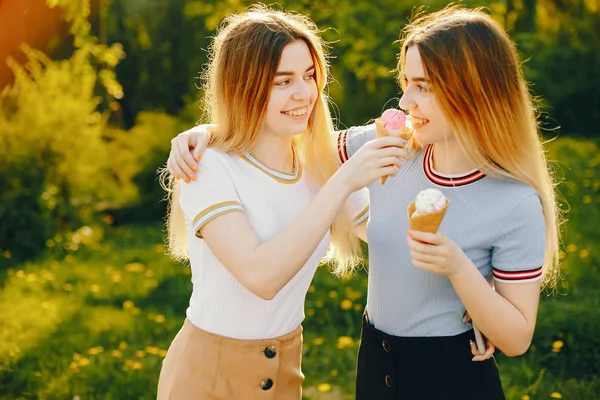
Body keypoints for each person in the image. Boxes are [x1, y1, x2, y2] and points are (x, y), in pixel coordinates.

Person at [167, 5, 562, 400]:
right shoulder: (374, 153)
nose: (404, 101)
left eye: (422, 85)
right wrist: (207, 132)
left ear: (472, 91)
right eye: (406, 81)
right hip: (302, 370)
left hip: (410, 372)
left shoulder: (514, 201)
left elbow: (390, 228)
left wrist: (474, 288)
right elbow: (291, 147)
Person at [156, 5, 411, 400]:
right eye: (283, 80)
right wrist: (343, 180)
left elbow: (396, 240)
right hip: (206, 378)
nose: (304, 93)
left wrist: (477, 294)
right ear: (243, 85)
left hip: (286, 374)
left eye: (310, 76)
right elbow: (261, 277)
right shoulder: (208, 166)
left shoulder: (321, 164)